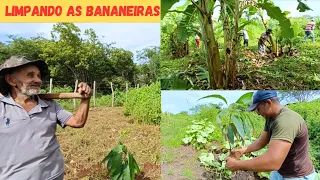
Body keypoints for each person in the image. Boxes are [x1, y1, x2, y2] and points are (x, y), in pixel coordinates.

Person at [0, 56, 92, 180]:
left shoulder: (50, 105)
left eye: (38, 76)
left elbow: (77, 122)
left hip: (53, 176)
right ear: (11, 80)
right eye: (30, 75)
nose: (38, 80)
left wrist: (85, 99)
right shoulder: (2, 107)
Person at [225, 90, 316, 180]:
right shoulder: (271, 118)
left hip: (297, 176)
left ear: (268, 103)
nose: (258, 113)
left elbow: (273, 162)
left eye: (258, 109)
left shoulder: (286, 121)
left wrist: (237, 165)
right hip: (280, 171)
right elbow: (261, 142)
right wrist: (242, 150)